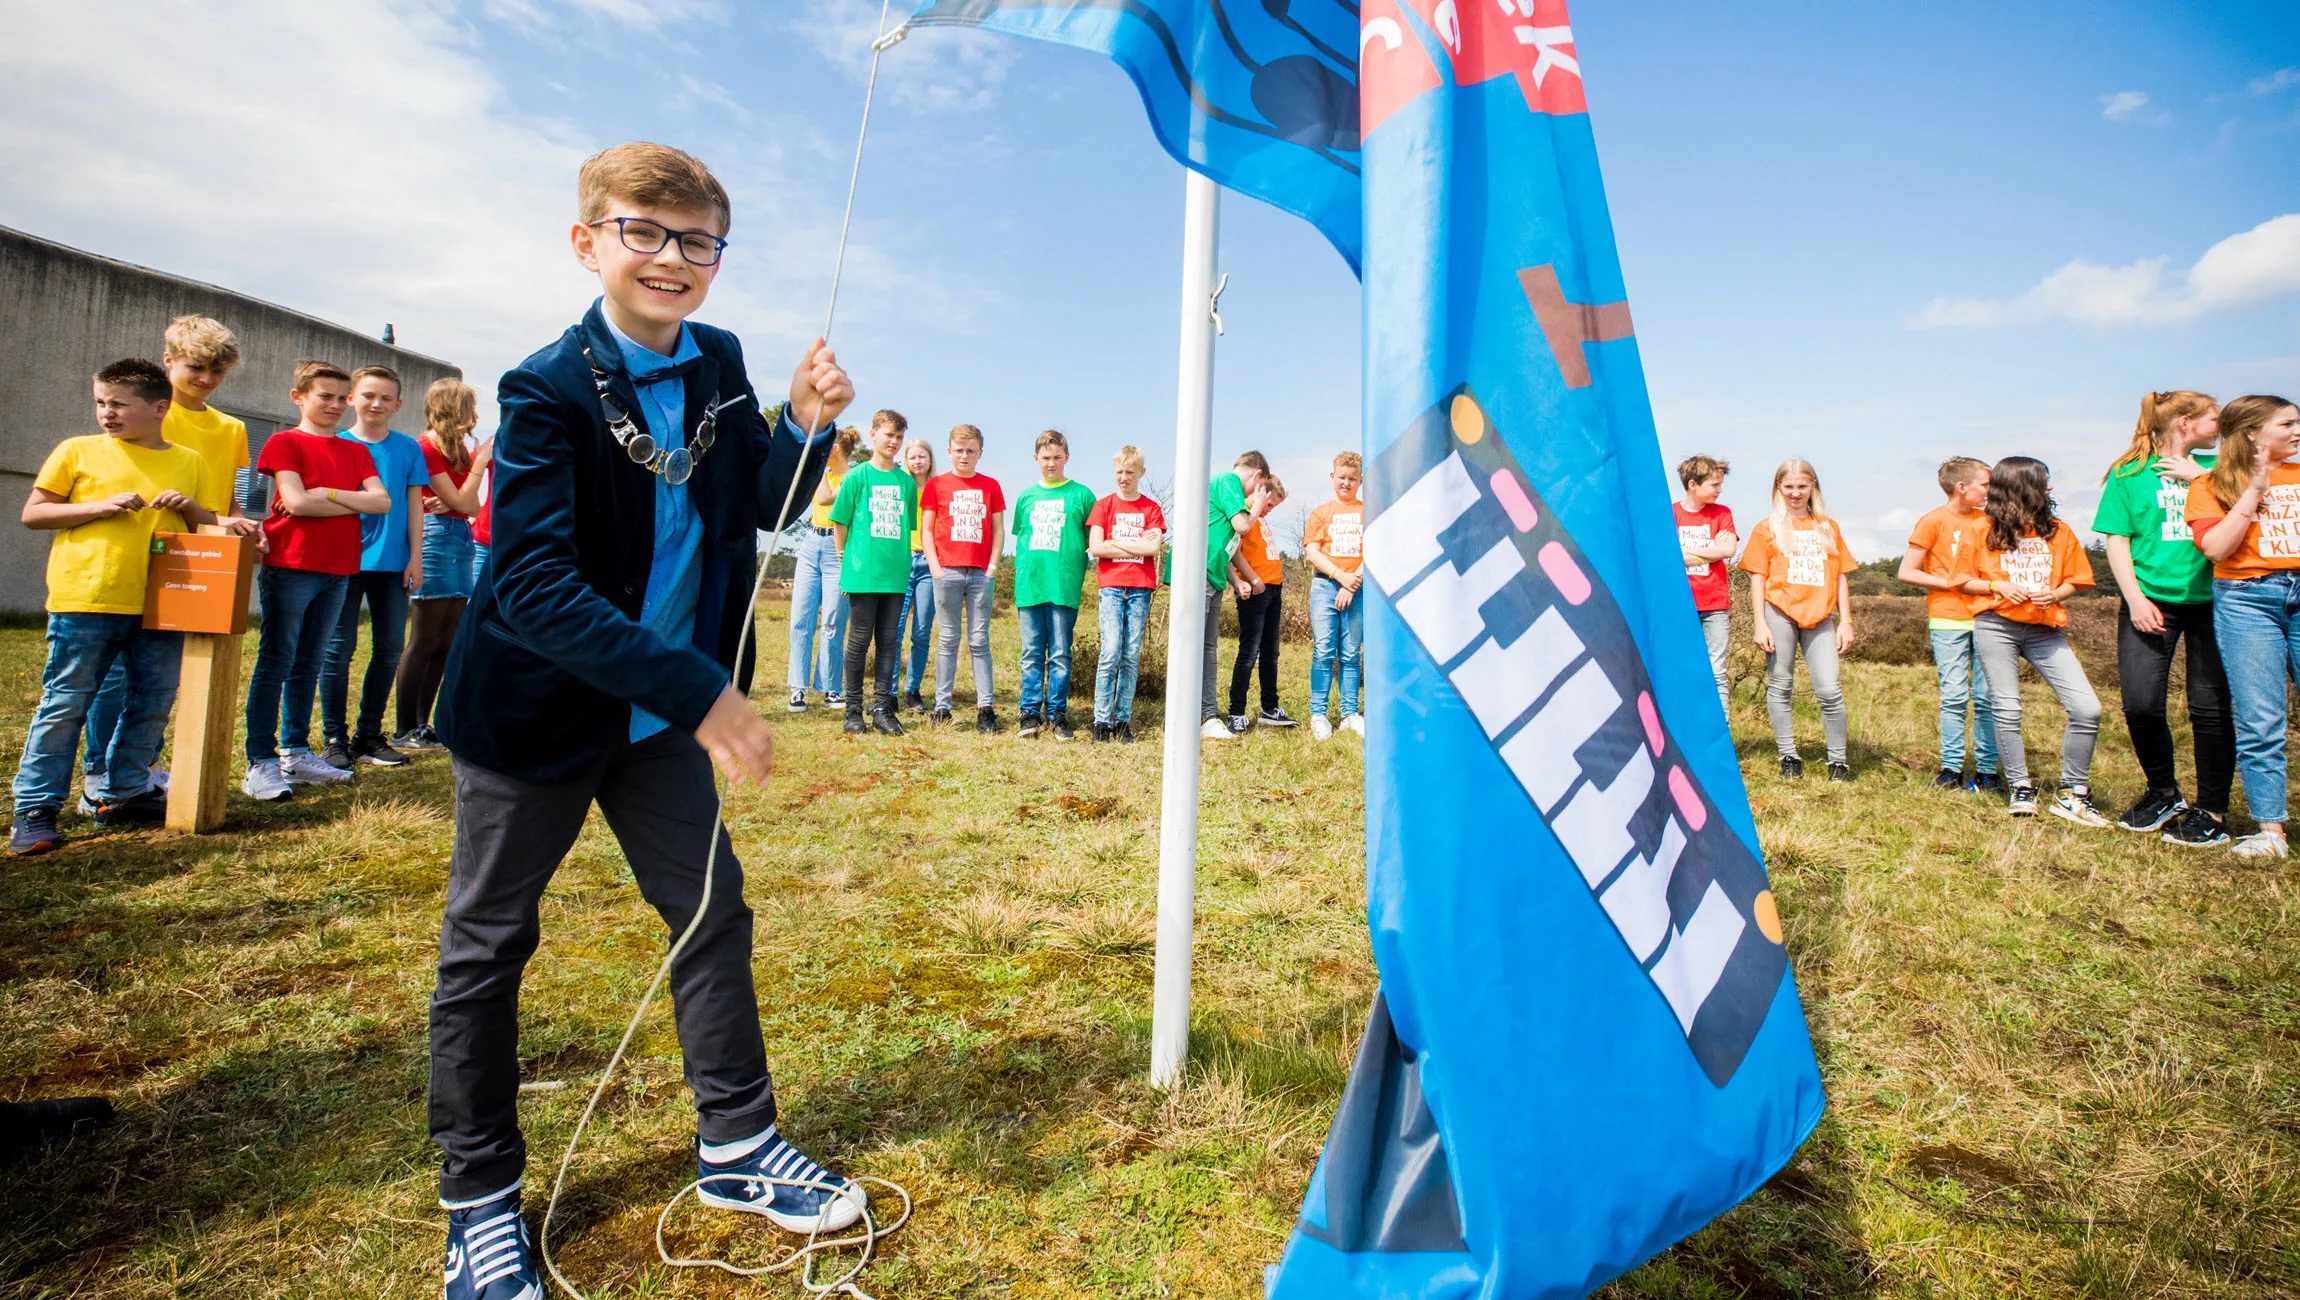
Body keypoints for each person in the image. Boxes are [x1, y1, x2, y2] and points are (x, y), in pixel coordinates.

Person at [426, 142, 854, 1297]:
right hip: (541, 715)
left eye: (696, 240)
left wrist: (804, 428)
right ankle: (477, 1198)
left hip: (660, 723)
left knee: (709, 910)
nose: (671, 257)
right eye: (643, 232)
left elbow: (753, 501)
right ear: (589, 242)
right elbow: (530, 586)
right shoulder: (542, 388)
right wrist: (704, 693)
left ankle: (736, 1145)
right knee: (488, 944)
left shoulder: (717, 360)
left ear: (719, 255)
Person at [8, 359, 224, 854]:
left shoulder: (189, 460)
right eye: (101, 403)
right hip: (86, 598)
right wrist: (99, 508)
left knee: (152, 700)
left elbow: (208, 522)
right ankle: (36, 807)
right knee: (66, 702)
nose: (107, 412)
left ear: (159, 407)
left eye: (119, 404)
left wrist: (189, 509)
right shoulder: (76, 450)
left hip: (162, 602)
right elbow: (34, 513)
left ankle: (125, 792)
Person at [81, 316, 260, 810]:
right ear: (168, 362)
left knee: (163, 672)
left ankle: (138, 768)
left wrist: (242, 529)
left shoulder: (232, 427)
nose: (206, 378)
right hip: (134, 551)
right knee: (119, 672)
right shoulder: (141, 413)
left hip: (195, 557)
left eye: (218, 371)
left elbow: (232, 496)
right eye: (196, 367)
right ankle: (99, 772)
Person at [241, 361, 392, 802]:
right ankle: (261, 762)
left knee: (308, 663)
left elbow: (380, 502)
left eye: (341, 398)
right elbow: (293, 503)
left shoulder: (355, 451)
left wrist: (324, 494)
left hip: (339, 568)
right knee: (277, 660)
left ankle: (294, 752)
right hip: (292, 565)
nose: (334, 405)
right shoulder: (284, 442)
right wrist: (348, 502)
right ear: (299, 397)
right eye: (323, 395)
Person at [2096, 391, 2231, 846]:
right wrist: (2134, 599)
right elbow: (2117, 540)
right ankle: (2163, 792)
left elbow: (2257, 505)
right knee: (2139, 704)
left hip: (2217, 602)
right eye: (2216, 417)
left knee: (2209, 710)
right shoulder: (2129, 472)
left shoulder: (2222, 466)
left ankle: (2212, 808)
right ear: (2187, 422)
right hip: (2150, 600)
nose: (2222, 422)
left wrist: (2203, 477)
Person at [1956, 456, 2106, 823]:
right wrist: (1998, 585)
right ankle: (2021, 788)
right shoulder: (1980, 529)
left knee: (2088, 708)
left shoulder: (2058, 531)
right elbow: (1960, 580)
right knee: (2007, 708)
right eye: (2044, 481)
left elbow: (2076, 579)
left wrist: (2055, 594)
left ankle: (2073, 793)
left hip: (2045, 628)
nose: (2050, 488)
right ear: (2021, 486)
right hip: (1996, 626)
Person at [2186, 394, 2300, 859]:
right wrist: (2254, 490)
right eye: (2287, 424)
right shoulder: (2211, 484)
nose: (2297, 431)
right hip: (2247, 600)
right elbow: (2216, 548)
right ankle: (2271, 832)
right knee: (2260, 719)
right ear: (2252, 433)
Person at [315, 366, 430, 771]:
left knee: (388, 650)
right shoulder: (336, 444)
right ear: (352, 399)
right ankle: (334, 738)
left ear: (398, 405)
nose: (376, 404)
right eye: (367, 395)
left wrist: (415, 555)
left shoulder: (408, 449)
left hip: (393, 563)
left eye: (385, 398)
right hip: (344, 562)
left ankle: (368, 735)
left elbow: (414, 504)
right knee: (338, 650)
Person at [1739, 458, 1856, 781]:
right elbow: (1757, 578)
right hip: (1779, 612)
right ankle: (1788, 755)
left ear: (1813, 486)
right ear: (1778, 488)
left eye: (1801, 486)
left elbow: (1841, 576)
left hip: (1820, 616)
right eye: (1788, 487)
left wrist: (1845, 620)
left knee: (1829, 690)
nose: (1795, 493)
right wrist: (1759, 622)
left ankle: (1838, 761)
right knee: (1780, 684)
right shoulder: (1767, 528)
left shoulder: (1828, 527)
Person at [392, 379, 492, 753]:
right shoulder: (426, 448)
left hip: (458, 539)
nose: (475, 418)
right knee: (424, 637)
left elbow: (473, 507)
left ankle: (422, 724)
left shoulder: (456, 452)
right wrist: (478, 466)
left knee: (446, 640)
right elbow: (466, 502)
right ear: (454, 409)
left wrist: (458, 499)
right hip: (435, 540)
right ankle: (404, 728)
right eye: (470, 409)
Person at [1897, 457, 2000, 792]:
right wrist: (1955, 583)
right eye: (1984, 484)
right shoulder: (1932, 521)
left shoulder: (1991, 521)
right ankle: (1950, 770)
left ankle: (1987, 772)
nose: (1989, 490)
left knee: (1987, 697)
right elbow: (1907, 571)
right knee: (1954, 696)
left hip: (1988, 615)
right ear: (1962, 487)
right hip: (1947, 618)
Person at [831, 410, 919, 736]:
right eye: (888, 435)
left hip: (895, 575)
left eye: (898, 437)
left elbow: (905, 527)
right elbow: (840, 521)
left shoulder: (906, 483)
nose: (893, 442)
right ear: (873, 435)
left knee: (888, 641)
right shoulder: (857, 478)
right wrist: (843, 559)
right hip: (862, 573)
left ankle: (882, 709)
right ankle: (853, 711)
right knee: (858, 641)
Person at [1011, 430, 1098, 740]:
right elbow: (1020, 534)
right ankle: (1030, 712)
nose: (1051, 463)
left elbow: (1092, 539)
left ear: (1067, 458)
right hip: (1029, 586)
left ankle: (1057, 713)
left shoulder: (1082, 495)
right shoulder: (1026, 496)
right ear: (1036, 459)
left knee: (1060, 652)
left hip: (1063, 587)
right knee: (1031, 651)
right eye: (1045, 458)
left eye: (1057, 457)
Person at [922, 423, 1005, 732]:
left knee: (979, 640)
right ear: (949, 452)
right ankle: (942, 708)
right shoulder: (937, 486)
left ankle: (986, 709)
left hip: (981, 574)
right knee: (947, 640)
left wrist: (992, 567)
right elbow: (927, 529)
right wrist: (935, 567)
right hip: (947, 572)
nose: (964, 456)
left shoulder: (991, 486)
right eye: (959, 451)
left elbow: (998, 530)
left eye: (970, 451)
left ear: (980, 453)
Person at [1086, 445, 1165, 743]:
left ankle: (1122, 721)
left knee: (1130, 655)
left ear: (1141, 473)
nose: (1124, 477)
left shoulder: (1151, 509)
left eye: (1130, 472)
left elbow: (1153, 548)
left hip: (1140, 587)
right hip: (1111, 587)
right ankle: (1101, 721)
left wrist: (1115, 541)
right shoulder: (1104, 506)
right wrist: (1133, 543)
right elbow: (1096, 547)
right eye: (1119, 471)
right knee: (1110, 652)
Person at [786, 426, 860, 711]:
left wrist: (814, 466)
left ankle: (830, 687)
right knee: (800, 620)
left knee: (832, 622)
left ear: (835, 449)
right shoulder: (823, 474)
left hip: (837, 549)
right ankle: (798, 687)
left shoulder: (852, 476)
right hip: (810, 544)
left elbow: (828, 498)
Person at [1201, 452, 1270, 741]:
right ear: (1257, 477)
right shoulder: (1227, 480)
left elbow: (1227, 546)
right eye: (1261, 487)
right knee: (1197, 647)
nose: (1256, 495)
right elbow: (1243, 526)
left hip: (1213, 576)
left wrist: (1241, 579)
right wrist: (1257, 506)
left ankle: (1206, 715)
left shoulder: (1226, 493)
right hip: (1198, 572)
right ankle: (1200, 713)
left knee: (1207, 648)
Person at [1303, 451, 1364, 741]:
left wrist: (1352, 585)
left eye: (1352, 479)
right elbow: (1312, 551)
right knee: (1324, 651)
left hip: (1358, 589)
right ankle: (1319, 714)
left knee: (1351, 653)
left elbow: (1376, 548)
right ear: (1332, 477)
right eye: (1342, 477)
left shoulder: (1369, 511)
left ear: (1360, 481)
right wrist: (1340, 578)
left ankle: (1350, 714)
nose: (1346, 483)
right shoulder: (1322, 512)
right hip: (1326, 587)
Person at [1228, 474, 1293, 733]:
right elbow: (1233, 550)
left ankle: (1270, 708)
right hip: (1254, 591)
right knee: (1248, 652)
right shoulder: (1244, 516)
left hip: (1273, 589)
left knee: (1271, 652)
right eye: (1268, 504)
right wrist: (1252, 580)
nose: (1269, 510)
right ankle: (1236, 712)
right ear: (1259, 492)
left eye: (1273, 507)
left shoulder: (1262, 521)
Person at [1674, 454, 1737, 717]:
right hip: (1679, 604)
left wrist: (1687, 553)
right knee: (1681, 669)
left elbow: (1730, 549)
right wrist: (1713, 549)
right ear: (1692, 485)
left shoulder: (1722, 513)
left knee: (1716, 672)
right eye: (1714, 485)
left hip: (1714, 605)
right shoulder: (1671, 514)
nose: (1719, 490)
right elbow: (1667, 556)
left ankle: (1721, 733)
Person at [893, 436, 936, 712]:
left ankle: (913, 690)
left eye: (922, 456)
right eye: (912, 457)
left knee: (921, 632)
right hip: (901, 561)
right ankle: (887, 691)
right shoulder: (900, 485)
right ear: (906, 461)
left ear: (930, 459)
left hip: (928, 564)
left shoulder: (937, 488)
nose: (917, 461)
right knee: (893, 631)